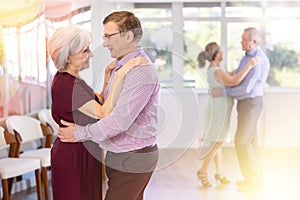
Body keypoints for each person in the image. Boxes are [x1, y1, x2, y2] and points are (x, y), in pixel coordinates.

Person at [57, 11, 160, 200]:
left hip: (133, 157)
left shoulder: (139, 70)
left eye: (108, 37)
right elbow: (107, 104)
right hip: (120, 154)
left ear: (128, 36)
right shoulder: (119, 66)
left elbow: (119, 121)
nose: (104, 43)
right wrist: (108, 77)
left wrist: (80, 133)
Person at [212, 27, 270, 192]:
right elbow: (237, 78)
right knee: (251, 143)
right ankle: (253, 178)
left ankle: (253, 181)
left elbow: (245, 89)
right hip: (246, 104)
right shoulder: (247, 58)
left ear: (254, 42)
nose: (241, 42)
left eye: (245, 39)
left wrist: (223, 91)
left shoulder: (257, 60)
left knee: (241, 141)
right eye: (242, 38)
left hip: (251, 104)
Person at [196, 42, 259, 187]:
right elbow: (234, 80)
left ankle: (219, 173)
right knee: (218, 141)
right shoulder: (216, 71)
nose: (223, 53)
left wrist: (242, 68)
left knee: (217, 140)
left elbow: (232, 74)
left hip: (220, 108)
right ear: (216, 55)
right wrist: (249, 65)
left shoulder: (217, 70)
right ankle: (203, 171)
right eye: (221, 51)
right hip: (219, 110)